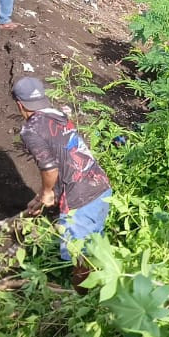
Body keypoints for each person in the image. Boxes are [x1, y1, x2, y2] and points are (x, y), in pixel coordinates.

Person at [12, 77, 112, 277]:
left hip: (81, 201)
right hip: (100, 186)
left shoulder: (31, 129)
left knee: (81, 260)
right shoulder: (58, 115)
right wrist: (43, 196)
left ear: (19, 104)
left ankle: (83, 301)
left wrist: (48, 191)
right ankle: (96, 290)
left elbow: (50, 168)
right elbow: (65, 159)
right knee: (95, 249)